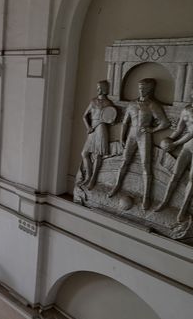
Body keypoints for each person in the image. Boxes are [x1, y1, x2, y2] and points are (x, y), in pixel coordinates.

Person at [108, 78, 170, 210]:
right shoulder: (131, 104)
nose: (141, 89)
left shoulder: (152, 105)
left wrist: (152, 129)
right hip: (131, 134)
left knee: (146, 166)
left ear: (150, 89)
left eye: (144, 87)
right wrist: (121, 138)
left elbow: (165, 123)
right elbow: (125, 122)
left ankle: (146, 196)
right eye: (140, 87)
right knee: (124, 161)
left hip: (144, 136)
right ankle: (116, 186)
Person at [155, 92, 193, 221]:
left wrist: (175, 143)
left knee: (192, 181)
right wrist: (168, 140)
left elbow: (192, 133)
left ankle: (182, 210)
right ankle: (165, 201)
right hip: (187, 147)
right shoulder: (186, 110)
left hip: (188, 144)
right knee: (175, 174)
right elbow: (179, 129)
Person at [80, 80, 115, 189]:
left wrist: (110, 120)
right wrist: (88, 127)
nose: (98, 90)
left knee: (98, 155)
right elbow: (84, 116)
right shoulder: (93, 101)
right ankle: (88, 176)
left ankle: (93, 179)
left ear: (105, 89)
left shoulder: (108, 103)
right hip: (93, 129)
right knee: (84, 153)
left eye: (100, 87)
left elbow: (111, 118)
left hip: (101, 129)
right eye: (97, 87)